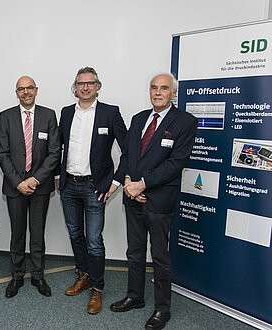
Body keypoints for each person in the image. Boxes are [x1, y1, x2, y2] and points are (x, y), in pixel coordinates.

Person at [109, 73, 197, 330]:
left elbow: (176, 163)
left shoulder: (185, 122)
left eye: (164, 88)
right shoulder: (138, 119)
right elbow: (128, 154)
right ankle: (134, 296)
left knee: (159, 256)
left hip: (158, 199)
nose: (158, 92)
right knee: (134, 252)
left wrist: (142, 184)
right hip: (133, 196)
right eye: (154, 88)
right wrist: (127, 181)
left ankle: (162, 309)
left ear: (173, 93)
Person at [55, 67, 127, 314]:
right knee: (75, 233)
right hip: (68, 186)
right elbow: (57, 147)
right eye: (80, 83)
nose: (85, 87)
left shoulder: (110, 113)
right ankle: (83, 274)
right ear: (75, 87)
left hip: (95, 186)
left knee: (94, 240)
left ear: (98, 86)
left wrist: (115, 183)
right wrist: (57, 176)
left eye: (90, 83)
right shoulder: (66, 113)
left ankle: (97, 288)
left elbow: (128, 151)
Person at [0, 75, 60, 298]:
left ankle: (37, 276)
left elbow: (54, 153)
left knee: (37, 233)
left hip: (40, 187)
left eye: (29, 88)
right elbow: (3, 154)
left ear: (36, 90)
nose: (26, 92)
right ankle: (16, 277)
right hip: (15, 187)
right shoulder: (5, 117)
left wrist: (35, 180)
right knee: (17, 234)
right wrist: (18, 182)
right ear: (16, 93)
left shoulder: (49, 115)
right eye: (21, 89)